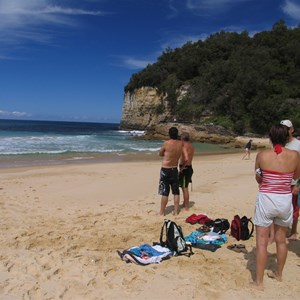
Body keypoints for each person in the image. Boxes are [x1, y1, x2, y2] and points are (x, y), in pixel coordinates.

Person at [252, 124, 300, 290]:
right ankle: (279, 274)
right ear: (287, 137)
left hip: (267, 199)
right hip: (284, 200)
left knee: (262, 242)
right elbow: (295, 176)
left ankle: (259, 282)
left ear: (270, 137)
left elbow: (258, 179)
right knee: (281, 240)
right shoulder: (295, 156)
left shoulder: (262, 155)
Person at [280, 120, 300, 240]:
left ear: (291, 130)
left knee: (294, 208)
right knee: (281, 207)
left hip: (294, 182)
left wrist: (298, 185)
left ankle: (293, 231)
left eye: (286, 128)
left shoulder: (298, 144)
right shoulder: (280, 143)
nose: (284, 131)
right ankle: (280, 229)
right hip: (282, 181)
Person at [158, 127, 183, 216]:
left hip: (166, 169)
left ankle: (162, 212)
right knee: (176, 191)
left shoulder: (166, 143)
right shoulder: (180, 144)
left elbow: (160, 154)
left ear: (169, 134)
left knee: (165, 192)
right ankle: (176, 211)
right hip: (174, 169)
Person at [179, 132, 194, 211]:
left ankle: (186, 206)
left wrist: (182, 167)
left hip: (185, 168)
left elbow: (186, 158)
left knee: (184, 188)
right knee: (184, 187)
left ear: (182, 138)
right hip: (189, 167)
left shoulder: (184, 146)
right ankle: (185, 203)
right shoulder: (191, 146)